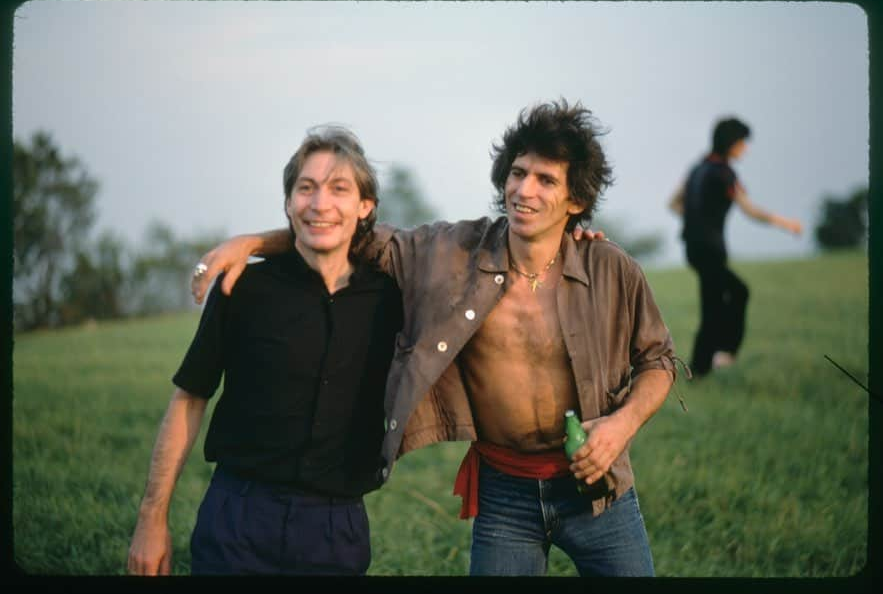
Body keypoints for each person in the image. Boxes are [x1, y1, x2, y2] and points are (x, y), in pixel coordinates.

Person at [192, 99, 681, 576]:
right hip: (504, 492)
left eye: (545, 179)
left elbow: (657, 360)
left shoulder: (611, 269)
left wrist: (621, 426)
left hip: (598, 489)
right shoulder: (452, 253)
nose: (524, 190)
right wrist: (253, 242)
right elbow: (347, 231)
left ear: (576, 200)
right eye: (517, 173)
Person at [127, 126, 403, 575]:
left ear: (365, 206)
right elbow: (189, 398)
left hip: (337, 526)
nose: (319, 204)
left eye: (339, 189)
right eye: (306, 188)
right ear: (288, 202)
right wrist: (151, 519)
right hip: (237, 517)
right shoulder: (243, 288)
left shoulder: (392, 298)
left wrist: (253, 239)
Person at [668, 117, 802, 376]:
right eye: (743, 143)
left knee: (713, 308)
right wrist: (787, 224)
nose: (745, 149)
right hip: (710, 250)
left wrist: (695, 218)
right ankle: (726, 351)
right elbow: (750, 210)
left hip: (693, 248)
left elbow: (673, 203)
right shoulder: (724, 173)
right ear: (732, 143)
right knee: (738, 292)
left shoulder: (697, 169)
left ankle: (700, 370)